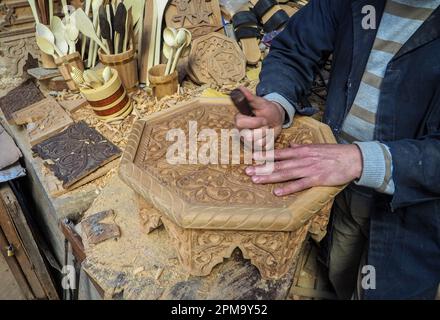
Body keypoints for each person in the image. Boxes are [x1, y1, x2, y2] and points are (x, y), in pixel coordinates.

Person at [234, 0, 440, 299]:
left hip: (416, 208)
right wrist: (278, 104)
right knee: (339, 271)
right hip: (337, 182)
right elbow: (295, 49)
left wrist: (361, 159)